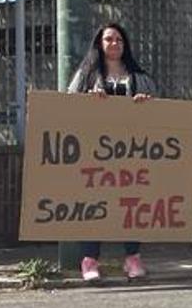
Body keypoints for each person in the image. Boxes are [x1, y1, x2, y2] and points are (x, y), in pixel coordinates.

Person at [67, 23, 158, 281]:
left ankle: (132, 257)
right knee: (93, 203)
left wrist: (144, 104)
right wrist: (88, 100)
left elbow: (160, 116)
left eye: (119, 39)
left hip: (131, 152)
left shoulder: (140, 78)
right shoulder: (85, 75)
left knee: (132, 202)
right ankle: (89, 260)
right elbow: (67, 107)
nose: (114, 43)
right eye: (108, 39)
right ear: (99, 43)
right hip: (93, 153)